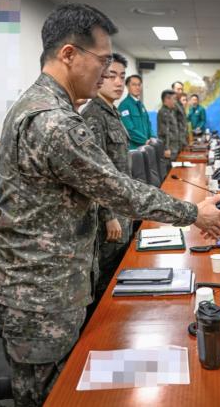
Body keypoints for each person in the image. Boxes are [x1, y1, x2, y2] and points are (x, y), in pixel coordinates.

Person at [0, 3, 220, 407]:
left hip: (36, 289)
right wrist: (195, 213)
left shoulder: (34, 105)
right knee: (55, 398)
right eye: (102, 61)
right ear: (68, 54)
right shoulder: (54, 122)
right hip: (43, 298)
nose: (106, 73)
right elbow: (119, 189)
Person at [80, 52, 131, 303]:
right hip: (109, 218)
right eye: (112, 76)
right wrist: (109, 216)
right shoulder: (93, 115)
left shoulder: (112, 112)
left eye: (122, 76)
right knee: (106, 280)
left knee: (120, 274)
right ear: (100, 76)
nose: (118, 82)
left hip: (122, 209)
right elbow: (94, 176)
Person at [118, 74, 154, 149]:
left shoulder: (141, 105)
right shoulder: (124, 105)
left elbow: (148, 124)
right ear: (127, 86)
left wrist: (153, 137)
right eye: (134, 85)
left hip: (146, 147)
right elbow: (129, 129)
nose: (137, 87)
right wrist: (145, 140)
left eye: (139, 85)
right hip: (134, 149)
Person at [158, 89, 183, 161]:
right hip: (170, 150)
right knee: (170, 171)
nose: (175, 102)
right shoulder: (163, 112)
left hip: (175, 148)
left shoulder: (171, 111)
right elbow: (164, 132)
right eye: (174, 99)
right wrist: (166, 149)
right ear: (167, 99)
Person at [172, 81, 189, 147]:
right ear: (173, 90)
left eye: (181, 89)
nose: (180, 91)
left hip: (182, 141)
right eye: (178, 89)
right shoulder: (170, 104)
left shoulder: (180, 105)